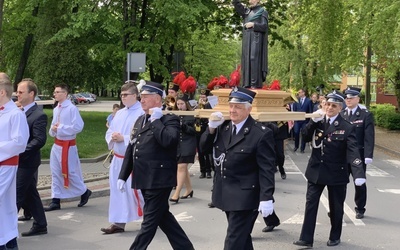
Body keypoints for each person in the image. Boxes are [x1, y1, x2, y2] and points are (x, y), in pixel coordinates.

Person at [118, 81, 194, 250]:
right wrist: (123, 176)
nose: (141, 100)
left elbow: (168, 141)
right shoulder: (139, 120)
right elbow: (132, 148)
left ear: (158, 98)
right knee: (164, 218)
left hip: (159, 180)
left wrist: (156, 121)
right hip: (144, 178)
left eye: (145, 97)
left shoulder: (169, 120)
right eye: (141, 97)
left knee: (149, 223)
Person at [200, 86, 276, 250]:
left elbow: (266, 169)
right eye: (231, 106)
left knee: (233, 241)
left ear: (248, 109)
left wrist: (266, 197)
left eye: (238, 107)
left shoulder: (260, 133)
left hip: (246, 196)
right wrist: (211, 128)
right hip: (225, 192)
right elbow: (203, 149)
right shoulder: (223, 128)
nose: (233, 110)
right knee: (242, 238)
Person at [293, 90, 366, 248]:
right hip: (316, 171)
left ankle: (335, 235)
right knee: (311, 204)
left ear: (340, 108)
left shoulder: (347, 127)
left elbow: (353, 150)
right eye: (327, 104)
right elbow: (303, 137)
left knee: (336, 206)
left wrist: (358, 172)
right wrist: (313, 121)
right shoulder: (318, 121)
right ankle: (306, 238)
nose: (329, 108)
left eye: (334, 105)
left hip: (336, 172)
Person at [100, 82, 145, 234]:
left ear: (135, 95)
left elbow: (143, 135)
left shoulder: (141, 112)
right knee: (117, 190)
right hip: (118, 158)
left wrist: (124, 138)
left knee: (137, 191)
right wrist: (112, 137)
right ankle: (118, 223)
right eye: (121, 95)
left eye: (126, 95)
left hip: (133, 159)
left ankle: (152, 218)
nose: (123, 97)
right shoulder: (119, 113)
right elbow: (110, 130)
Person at [45, 83, 92, 211]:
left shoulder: (71, 109)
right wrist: (53, 130)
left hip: (68, 146)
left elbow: (78, 127)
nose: (55, 94)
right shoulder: (56, 109)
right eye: (54, 92)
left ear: (65, 94)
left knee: (69, 172)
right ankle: (55, 200)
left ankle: (84, 191)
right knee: (55, 172)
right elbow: (53, 126)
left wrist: (60, 128)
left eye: (58, 92)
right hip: (57, 144)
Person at [15, 79, 49, 237]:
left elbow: (39, 140)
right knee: (30, 193)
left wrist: (19, 151)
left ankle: (5, 227)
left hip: (27, 162)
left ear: (31, 94)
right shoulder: (19, 111)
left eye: (21, 92)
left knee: (16, 194)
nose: (17, 94)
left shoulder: (38, 115)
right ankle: (41, 224)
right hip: (18, 161)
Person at [0, 73, 29, 250]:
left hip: (6, 165)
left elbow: (20, 142)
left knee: (5, 204)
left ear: (2, 92)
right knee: (4, 206)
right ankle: (8, 241)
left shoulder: (15, 114)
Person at [341, 87, 375, 219]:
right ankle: (338, 207)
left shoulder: (365, 114)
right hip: (343, 155)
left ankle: (360, 208)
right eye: (347, 98)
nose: (348, 100)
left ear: (357, 99)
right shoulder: (342, 113)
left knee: (359, 182)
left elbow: (369, 137)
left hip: (358, 155)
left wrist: (368, 155)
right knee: (340, 183)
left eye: (351, 98)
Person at [232, 0, 268, 88]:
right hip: (247, 40)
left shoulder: (263, 11)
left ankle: (254, 84)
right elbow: (237, 6)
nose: (250, 1)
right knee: (246, 60)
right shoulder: (247, 12)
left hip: (256, 39)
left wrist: (253, 24)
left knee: (253, 58)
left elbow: (264, 26)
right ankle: (246, 84)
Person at [169, 92, 197, 203]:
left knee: (181, 167)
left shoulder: (193, 114)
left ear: (186, 104)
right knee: (182, 168)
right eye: (178, 104)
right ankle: (189, 189)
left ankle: (176, 194)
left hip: (188, 143)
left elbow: (195, 131)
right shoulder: (174, 114)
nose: (180, 106)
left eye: (182, 104)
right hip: (178, 144)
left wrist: (183, 126)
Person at [195, 88, 214, 179]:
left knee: (206, 151)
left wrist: (205, 105)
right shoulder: (197, 106)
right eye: (201, 97)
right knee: (200, 152)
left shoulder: (209, 105)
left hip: (206, 129)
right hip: (199, 130)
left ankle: (208, 170)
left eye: (204, 97)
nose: (202, 99)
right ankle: (202, 170)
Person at [292, 88, 313, 153]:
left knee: (304, 134)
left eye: (300, 92)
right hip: (297, 120)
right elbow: (295, 110)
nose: (299, 93)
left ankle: (302, 148)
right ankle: (296, 146)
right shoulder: (296, 100)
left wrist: (309, 121)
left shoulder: (308, 101)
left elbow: (310, 111)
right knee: (296, 132)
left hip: (305, 120)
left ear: (303, 93)